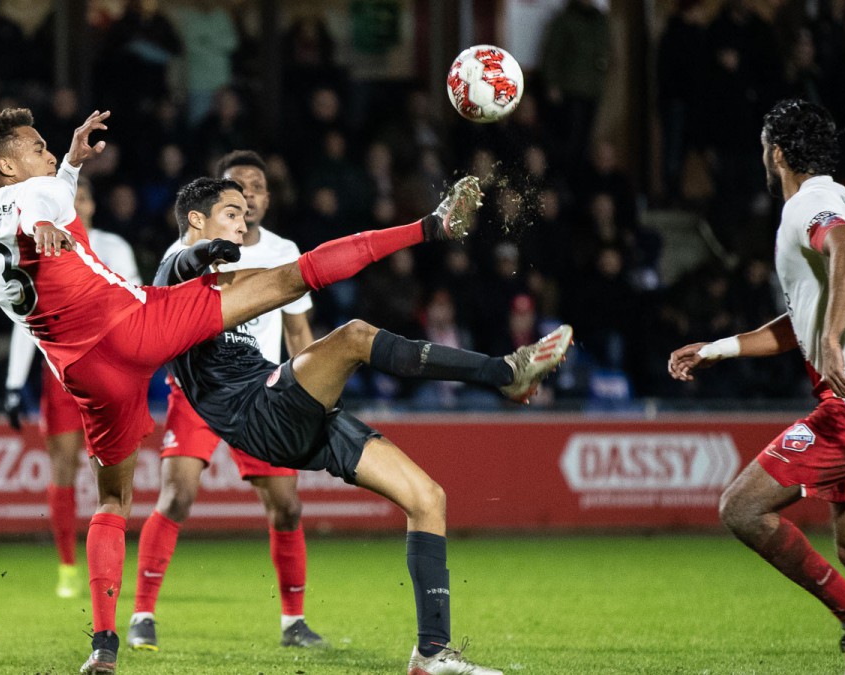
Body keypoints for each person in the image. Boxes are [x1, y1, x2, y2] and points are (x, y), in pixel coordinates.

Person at [0, 106, 489, 674]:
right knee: (291, 276)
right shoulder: (32, 203)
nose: (46, 154)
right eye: (37, 148)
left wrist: (68, 164)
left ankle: (105, 646)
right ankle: (427, 227)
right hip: (133, 327)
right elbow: (36, 210)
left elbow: (42, 203)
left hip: (84, 375)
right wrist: (44, 212)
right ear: (8, 164)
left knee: (113, 502)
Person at [154, 175, 572, 675]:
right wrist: (201, 254)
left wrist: (430, 227)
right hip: (256, 413)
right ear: (197, 220)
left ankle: (431, 654)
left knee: (428, 498)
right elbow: (177, 264)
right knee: (353, 335)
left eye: (246, 214)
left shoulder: (233, 279)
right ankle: (504, 373)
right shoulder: (174, 279)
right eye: (232, 213)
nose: (245, 223)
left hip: (290, 413)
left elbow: (328, 263)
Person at [668, 99, 845, 675]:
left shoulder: (810, 205)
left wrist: (830, 340)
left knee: (742, 508)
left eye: (763, 146)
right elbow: (801, 318)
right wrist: (719, 349)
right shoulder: (835, 196)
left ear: (775, 153)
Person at [128, 150, 325, 650]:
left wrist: (309, 397)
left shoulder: (284, 250)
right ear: (220, 201)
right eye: (238, 188)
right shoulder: (189, 249)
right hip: (197, 389)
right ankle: (142, 616)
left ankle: (293, 623)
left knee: (286, 507)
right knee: (178, 495)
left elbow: (298, 331)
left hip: (260, 392)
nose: (250, 194)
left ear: (266, 197)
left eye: (258, 186)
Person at [3, 177, 141, 599]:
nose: (75, 205)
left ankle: (108, 562)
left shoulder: (114, 247)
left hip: (110, 368)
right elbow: (28, 322)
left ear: (92, 205)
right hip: (62, 370)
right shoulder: (40, 246)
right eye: (69, 199)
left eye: (80, 198)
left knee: (114, 474)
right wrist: (13, 383)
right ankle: (67, 565)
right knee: (63, 466)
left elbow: (135, 300)